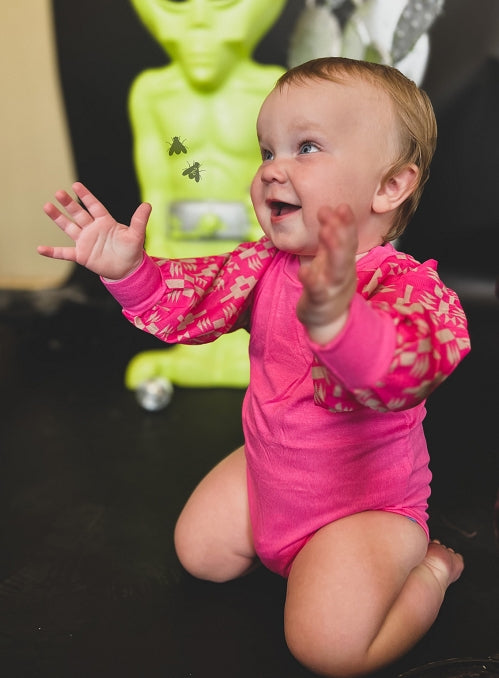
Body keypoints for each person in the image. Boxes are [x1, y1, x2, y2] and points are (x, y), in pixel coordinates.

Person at [38, 57, 470, 677]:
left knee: (328, 648)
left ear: (389, 187)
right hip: (275, 471)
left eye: (307, 147)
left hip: (363, 507)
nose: (272, 168)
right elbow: (193, 300)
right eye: (267, 150)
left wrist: (344, 327)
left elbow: (414, 362)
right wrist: (130, 271)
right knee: (201, 554)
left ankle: (431, 570)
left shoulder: (405, 287)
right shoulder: (261, 264)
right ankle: (292, 528)